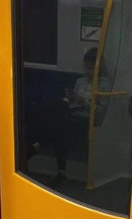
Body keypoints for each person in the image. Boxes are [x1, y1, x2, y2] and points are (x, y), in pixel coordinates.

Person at [50, 48, 109, 187]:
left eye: (91, 68)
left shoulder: (104, 85)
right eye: (86, 67)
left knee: (62, 127)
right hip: (76, 115)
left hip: (91, 119)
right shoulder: (80, 82)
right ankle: (61, 170)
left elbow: (102, 111)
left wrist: (85, 104)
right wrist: (70, 99)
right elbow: (74, 102)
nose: (87, 71)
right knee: (58, 121)